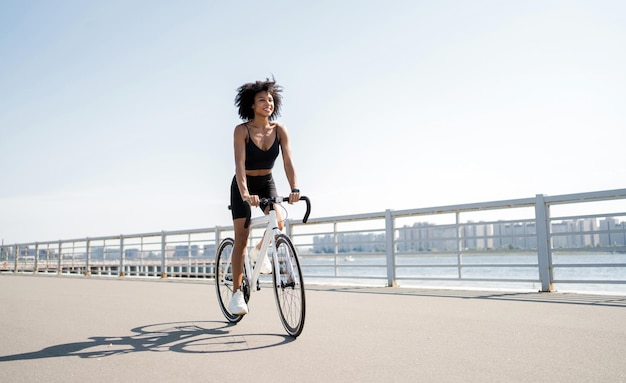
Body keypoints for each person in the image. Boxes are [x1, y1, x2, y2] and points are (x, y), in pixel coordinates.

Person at [228, 78, 300, 316]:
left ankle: (260, 251)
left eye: (270, 100)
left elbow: (288, 161)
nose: (267, 103)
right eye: (261, 100)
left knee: (279, 221)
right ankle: (237, 293)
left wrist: (294, 188)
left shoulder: (279, 130)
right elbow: (239, 165)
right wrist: (245, 193)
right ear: (252, 105)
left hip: (266, 181)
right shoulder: (242, 130)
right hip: (244, 184)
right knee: (241, 238)